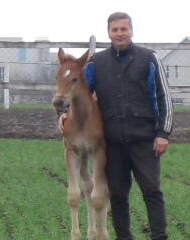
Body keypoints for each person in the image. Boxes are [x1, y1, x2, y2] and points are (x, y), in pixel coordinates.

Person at [58, 12, 173, 240]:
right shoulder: (97, 63)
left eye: (124, 29)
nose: (119, 33)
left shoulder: (149, 58)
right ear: (109, 33)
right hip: (113, 142)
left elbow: (164, 97)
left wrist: (163, 133)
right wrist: (64, 112)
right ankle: (123, 237)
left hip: (144, 140)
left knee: (151, 190)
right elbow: (78, 91)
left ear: (131, 31)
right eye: (115, 30)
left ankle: (159, 237)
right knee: (118, 194)